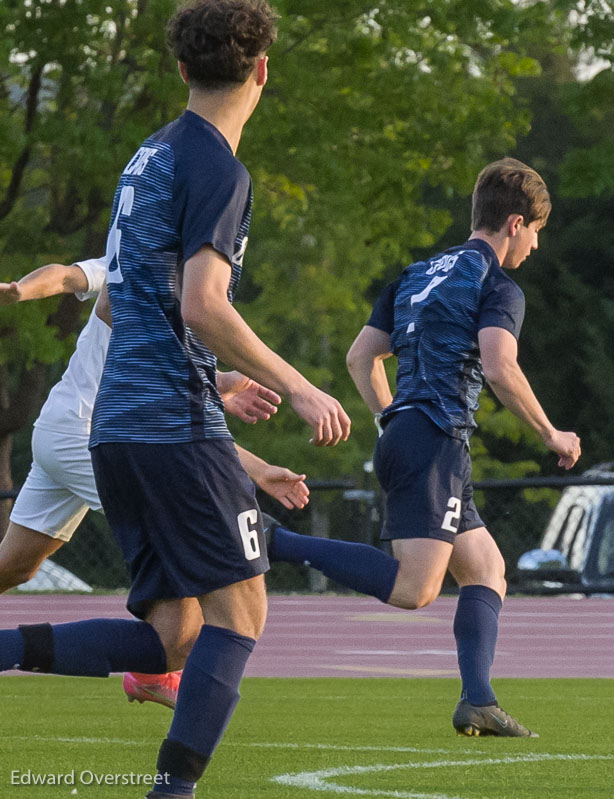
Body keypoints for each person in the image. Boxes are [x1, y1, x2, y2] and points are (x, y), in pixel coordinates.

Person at [0, 3, 350, 798]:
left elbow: (123, 303)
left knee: (172, 634)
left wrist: (213, 373)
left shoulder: (147, 156)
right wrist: (298, 384)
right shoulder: (220, 168)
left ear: (182, 70)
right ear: (262, 71)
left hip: (116, 425)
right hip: (168, 426)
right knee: (240, 617)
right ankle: (174, 790)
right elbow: (201, 304)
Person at [268, 157, 581, 737]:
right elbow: (499, 366)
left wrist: (391, 418)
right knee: (415, 589)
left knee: (486, 567)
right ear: (515, 224)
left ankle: (479, 701)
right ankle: (275, 541)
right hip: (435, 442)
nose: (535, 247)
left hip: (413, 437)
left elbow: (361, 357)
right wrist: (551, 433)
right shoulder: (498, 286)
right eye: (536, 233)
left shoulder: (415, 275)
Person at [0, 257, 311, 710]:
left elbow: (176, 413)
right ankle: (153, 670)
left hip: (69, 430)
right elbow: (66, 275)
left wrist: (219, 385)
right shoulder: (138, 262)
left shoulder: (187, 295)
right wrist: (20, 291)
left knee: (15, 567)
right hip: (87, 435)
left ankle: (155, 668)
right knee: (183, 582)